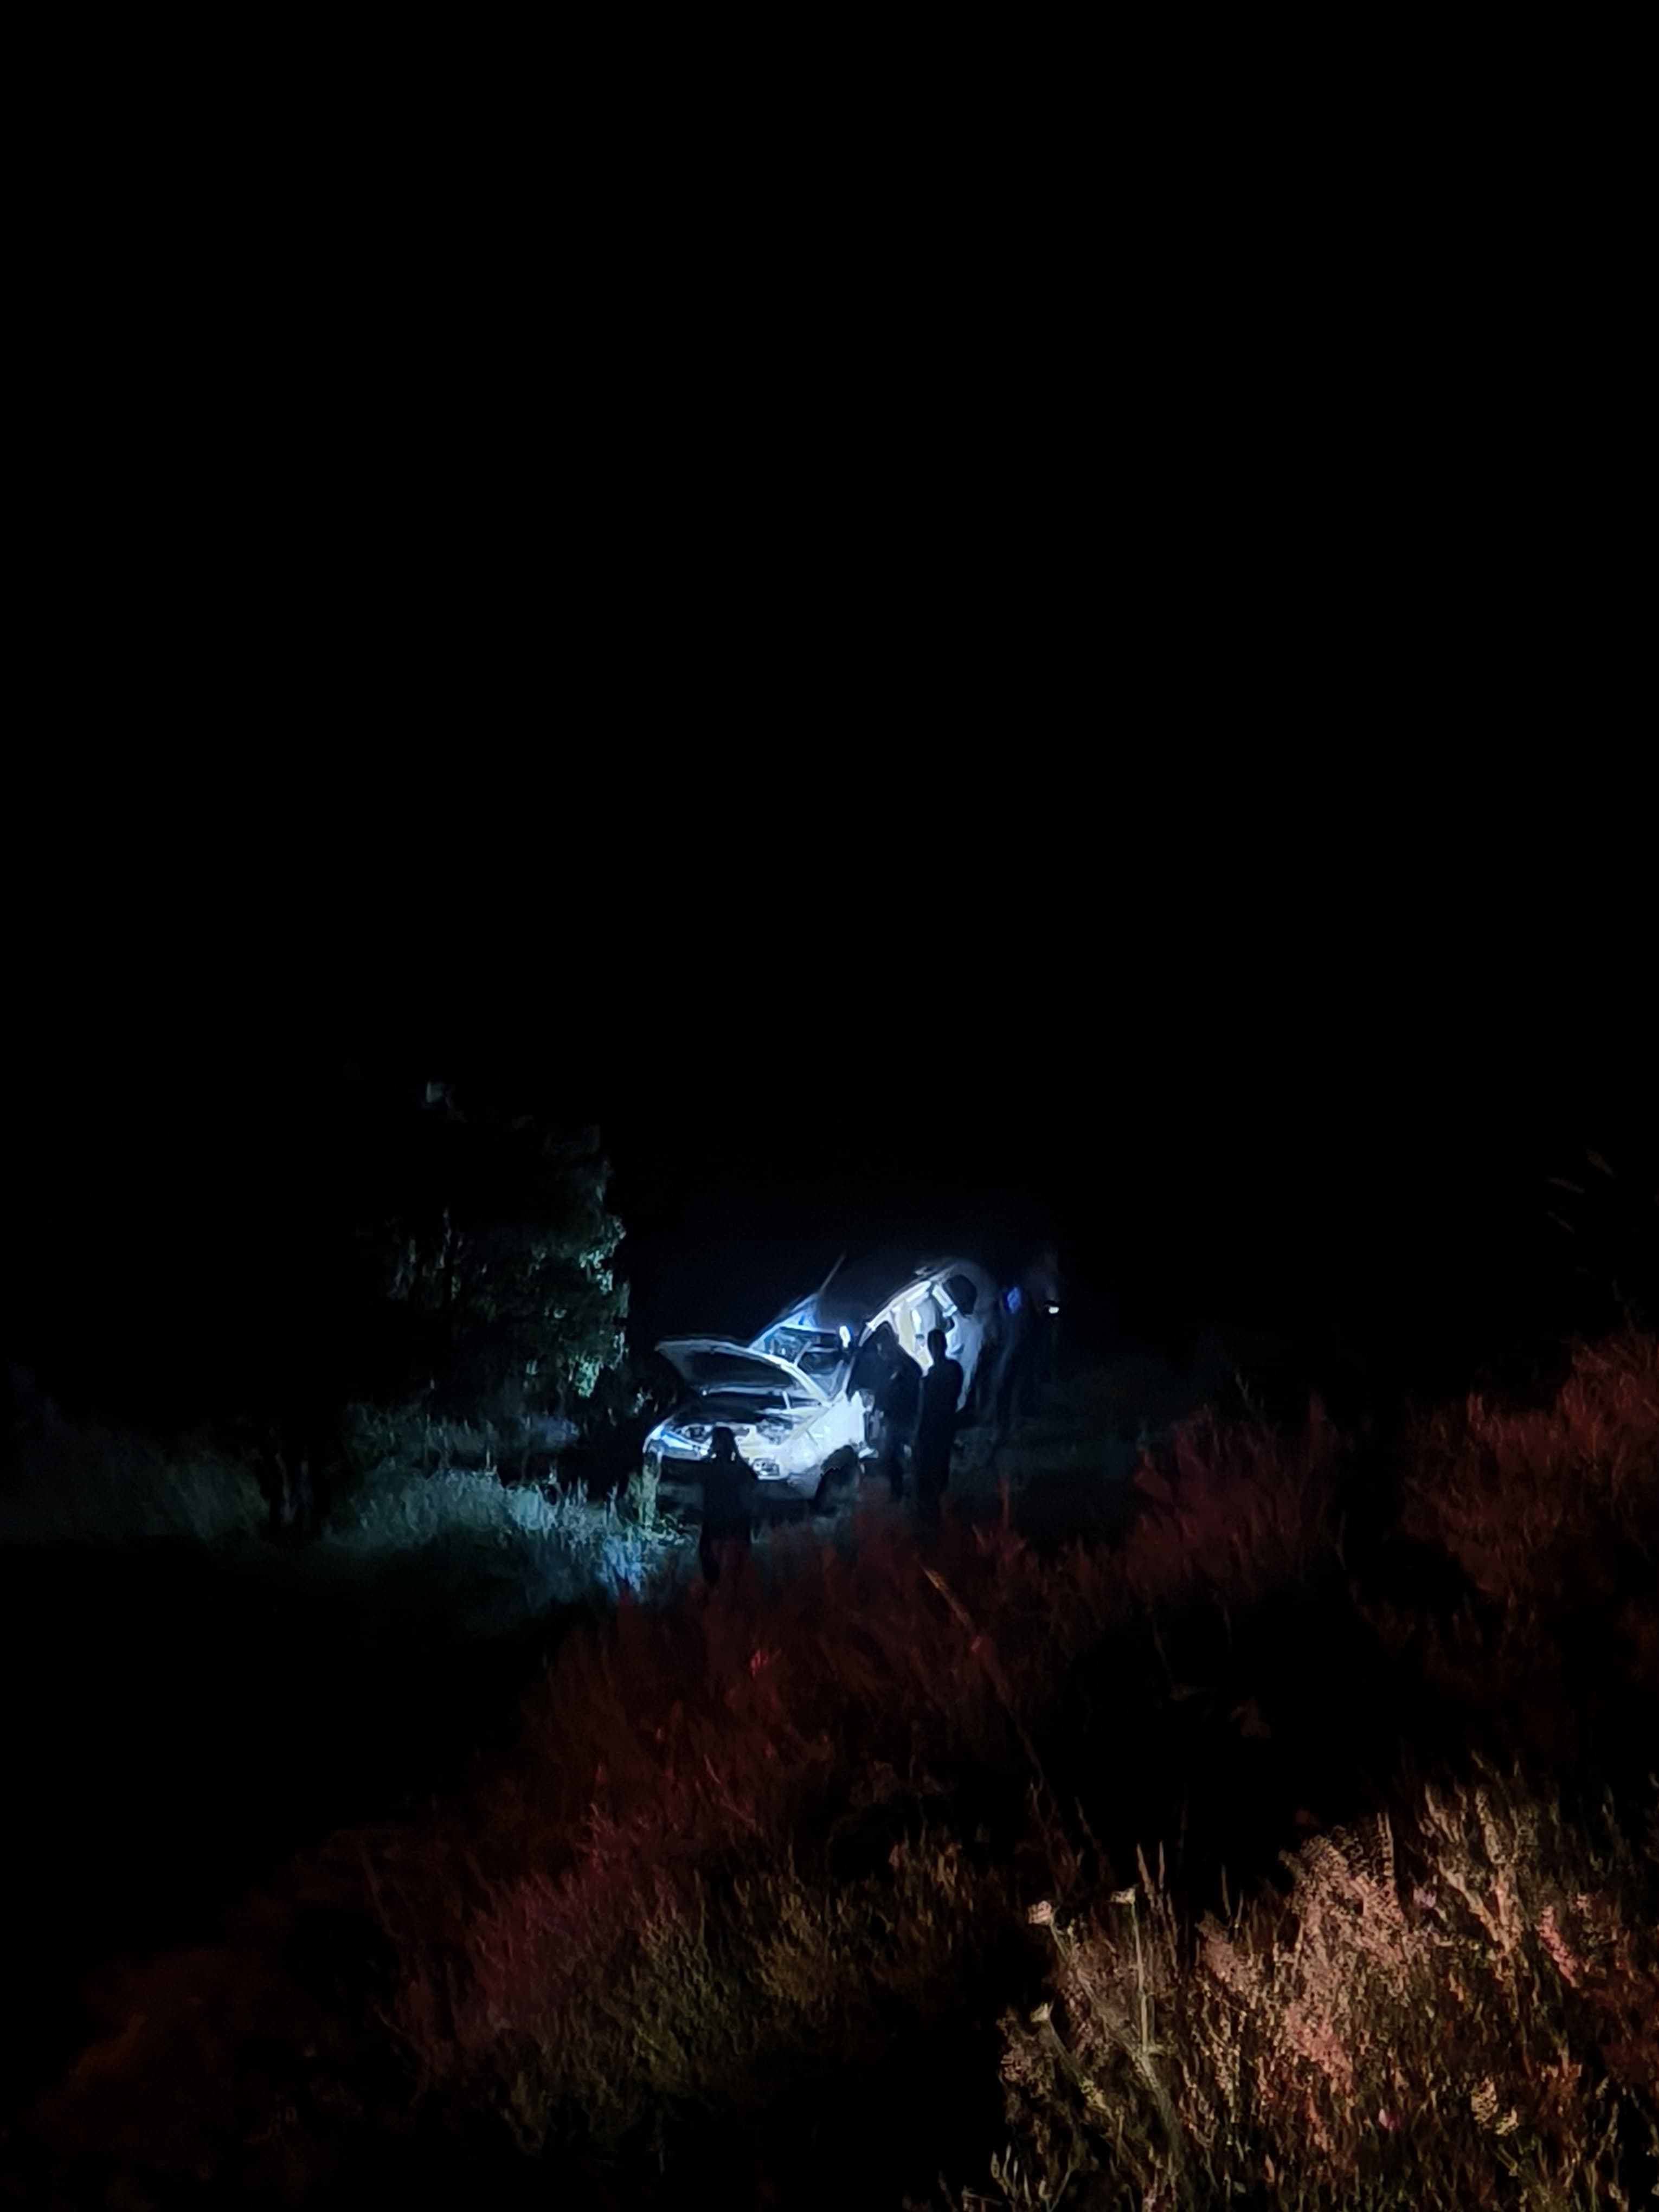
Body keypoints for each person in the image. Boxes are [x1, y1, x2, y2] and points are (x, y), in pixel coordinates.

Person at [992, 1246, 1063, 1446]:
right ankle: (1010, 1418)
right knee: (1018, 1374)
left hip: (1018, 1335)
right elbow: (1052, 1305)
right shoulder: (1039, 1278)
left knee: (1011, 1374)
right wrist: (1051, 1312)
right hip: (1026, 1334)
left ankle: (1008, 1416)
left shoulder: (1024, 1279)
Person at [914, 1327, 964, 1524]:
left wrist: (917, 1432)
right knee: (940, 1467)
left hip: (933, 1427)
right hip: (946, 1424)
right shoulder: (954, 1370)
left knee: (928, 1468)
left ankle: (931, 1513)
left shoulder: (931, 1378)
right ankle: (939, 1510)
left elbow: (924, 1409)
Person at [698, 1424, 757, 1587]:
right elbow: (753, 1481)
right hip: (734, 1524)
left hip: (716, 1524)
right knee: (733, 1571)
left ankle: (717, 1591)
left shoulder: (709, 1468)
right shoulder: (739, 1469)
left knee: (720, 1568)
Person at [875, 1331, 923, 1502]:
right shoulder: (898, 1367)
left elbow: (909, 1395)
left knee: (896, 1457)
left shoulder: (907, 1368)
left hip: (903, 1420)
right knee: (894, 1457)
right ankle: (900, 1491)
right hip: (897, 1419)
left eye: (884, 1352)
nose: (883, 1356)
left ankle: (903, 1493)